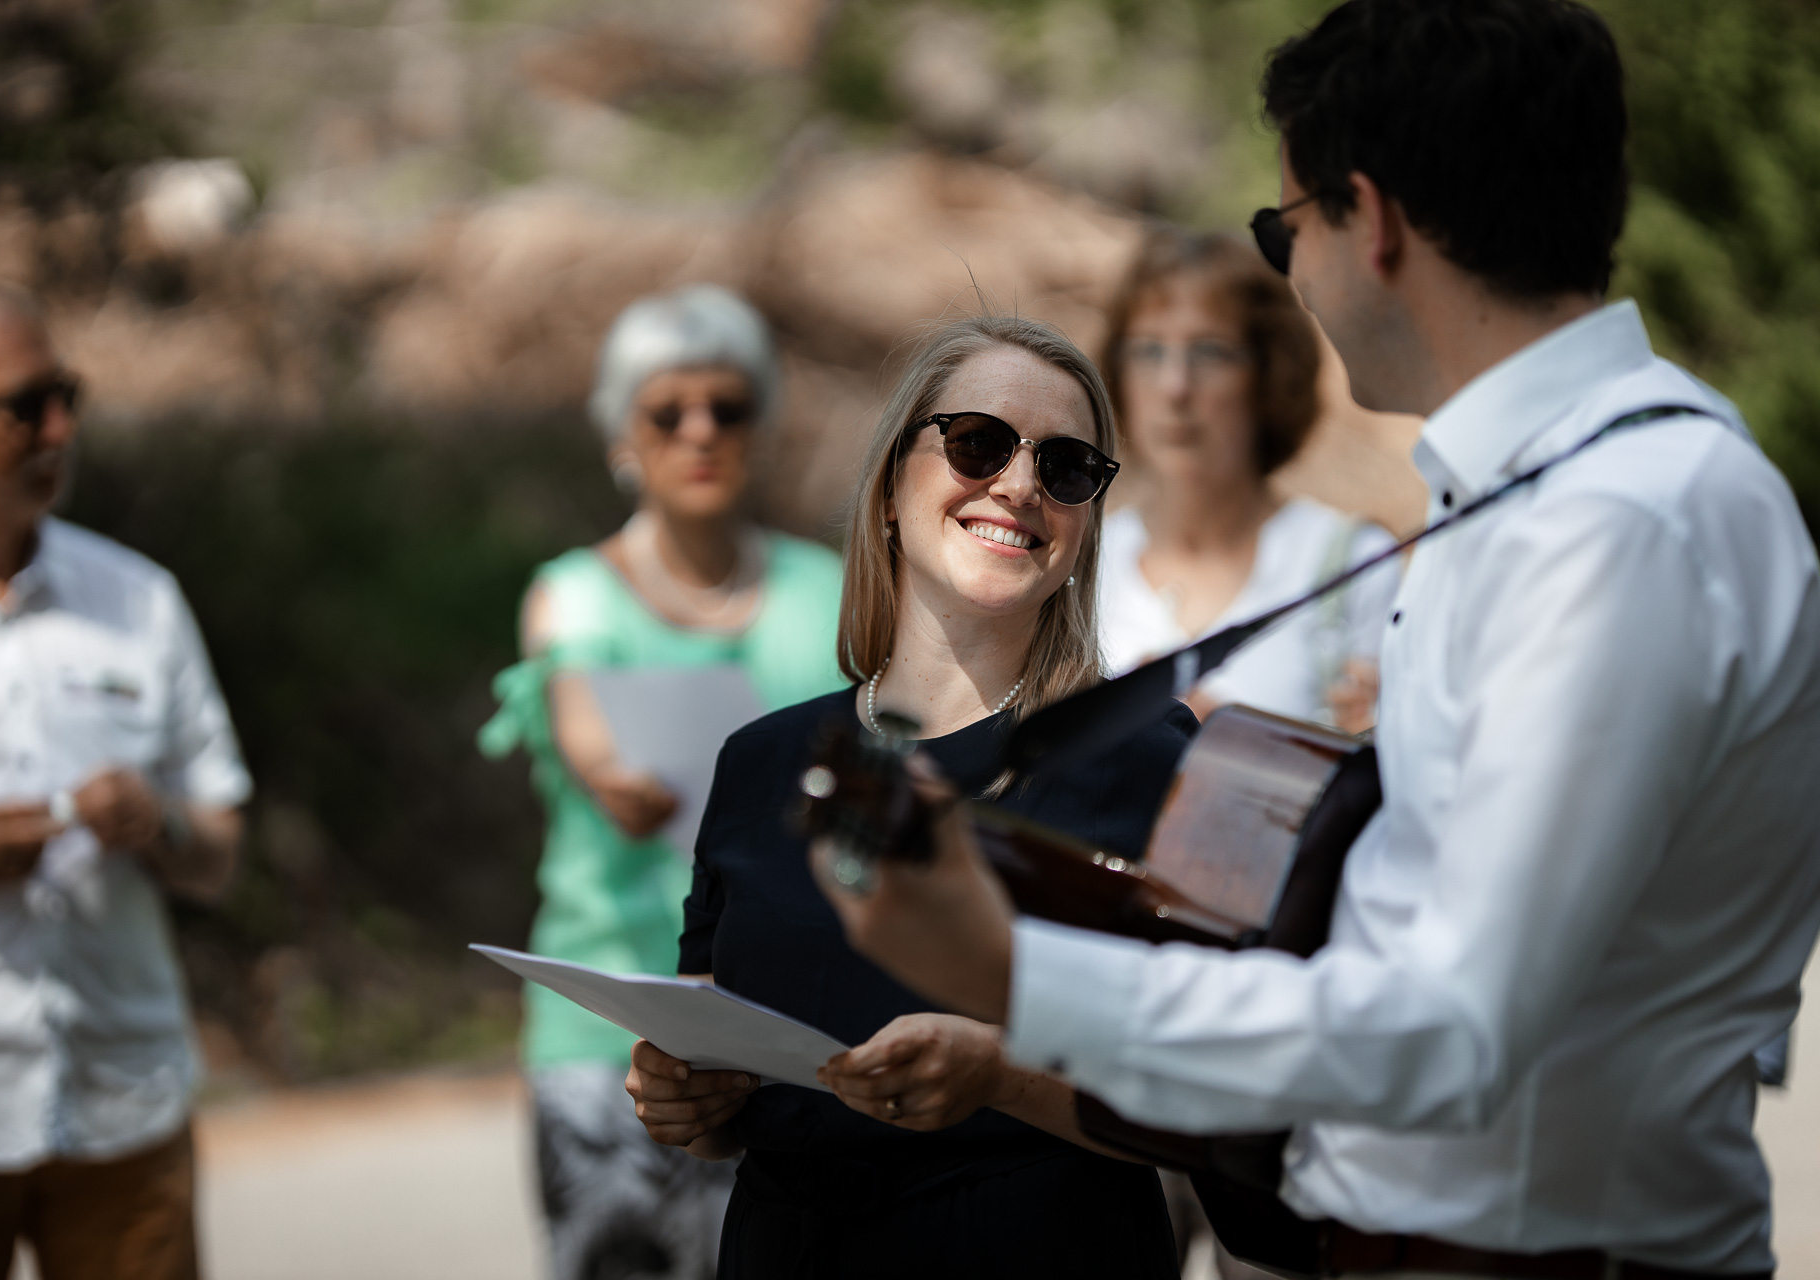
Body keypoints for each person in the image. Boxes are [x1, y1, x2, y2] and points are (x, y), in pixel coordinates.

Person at [811, 2, 1820, 1277]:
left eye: (1283, 230)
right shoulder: (1543, 496)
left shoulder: (1618, 526)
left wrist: (1008, 968)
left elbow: (1447, 1022)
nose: (1289, 270)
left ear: (1372, 220)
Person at [623, 314, 1194, 1279]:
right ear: (893, 484)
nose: (1017, 485)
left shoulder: (1149, 756)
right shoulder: (760, 760)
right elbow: (721, 1063)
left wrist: (1004, 1077)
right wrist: (691, 1101)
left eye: (1066, 468)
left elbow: (1200, 1101)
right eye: (978, 444)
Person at [478, 284, 846, 1280]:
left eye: (727, 407)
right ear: (620, 434)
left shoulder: (829, 594)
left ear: (758, 427)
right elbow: (584, 723)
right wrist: (613, 772)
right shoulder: (576, 593)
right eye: (666, 410)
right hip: (607, 1034)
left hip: (787, 1027)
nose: (699, 431)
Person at [0, 276, 250, 1279]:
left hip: (124, 1101)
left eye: (66, 396)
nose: (57, 427)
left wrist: (160, 824)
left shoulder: (139, 598)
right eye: (22, 404)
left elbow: (220, 853)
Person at [1098, 227, 1400, 733]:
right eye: (1149, 352)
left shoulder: (1351, 569)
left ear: (1270, 373)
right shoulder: (1076, 564)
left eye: (1210, 352)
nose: (1175, 387)